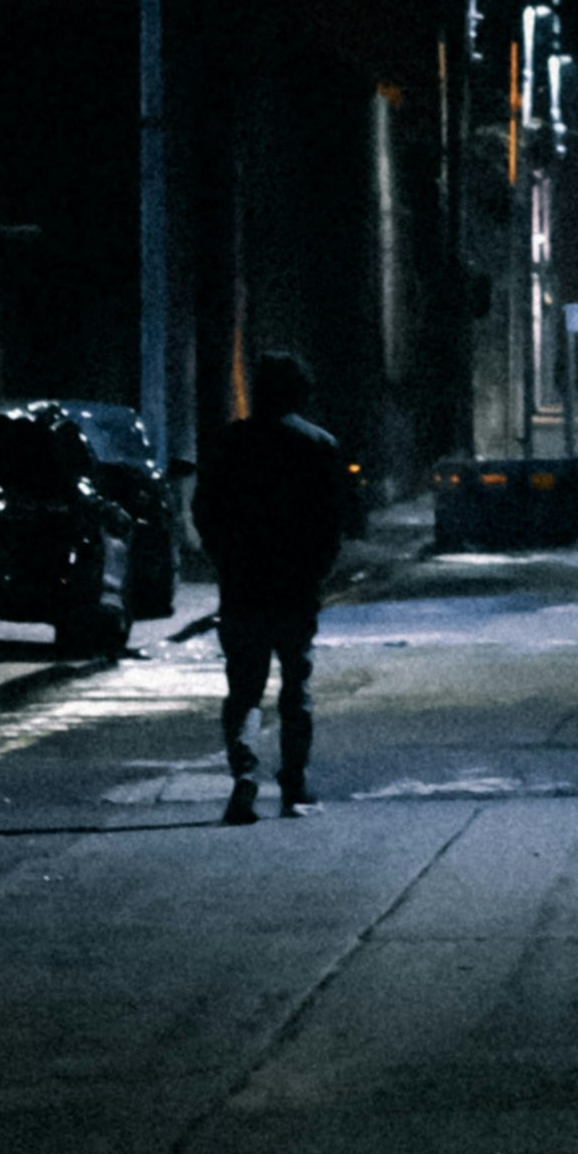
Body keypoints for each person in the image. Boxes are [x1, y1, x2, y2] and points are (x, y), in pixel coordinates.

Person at [195, 346, 361, 818]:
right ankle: (294, 783)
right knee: (295, 685)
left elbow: (205, 511)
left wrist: (223, 560)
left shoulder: (230, 443)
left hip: (243, 582)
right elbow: (335, 520)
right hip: (295, 585)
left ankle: (245, 774)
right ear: (301, 393)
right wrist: (318, 570)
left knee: (244, 688)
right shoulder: (318, 445)